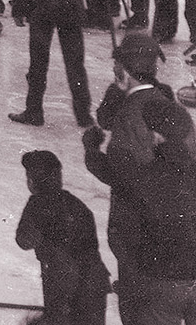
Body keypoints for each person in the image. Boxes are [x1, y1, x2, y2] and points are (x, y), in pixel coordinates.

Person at [82, 93, 196, 323]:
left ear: (156, 136)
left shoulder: (146, 176)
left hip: (164, 278)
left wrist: (91, 148)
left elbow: (110, 172)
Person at [8, 0, 100, 128]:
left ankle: (34, 111)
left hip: (42, 8)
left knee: (38, 62)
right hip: (70, 5)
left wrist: (19, 10)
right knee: (75, 63)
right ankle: (83, 114)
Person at [14, 151, 111, 325]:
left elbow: (23, 239)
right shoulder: (77, 204)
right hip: (94, 283)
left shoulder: (37, 204)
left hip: (64, 283)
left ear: (34, 178)